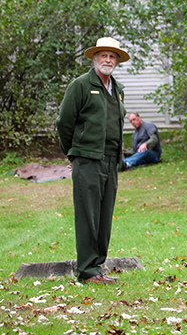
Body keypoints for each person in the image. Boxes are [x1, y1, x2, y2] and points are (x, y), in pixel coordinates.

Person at [57, 37, 130, 285]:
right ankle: (86, 271)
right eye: (103, 56)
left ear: (117, 61)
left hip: (111, 160)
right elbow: (64, 122)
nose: (108, 60)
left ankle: (97, 266)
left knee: (104, 215)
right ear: (94, 58)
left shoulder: (117, 89)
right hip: (87, 160)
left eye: (112, 56)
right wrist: (73, 152)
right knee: (87, 215)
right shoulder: (80, 86)